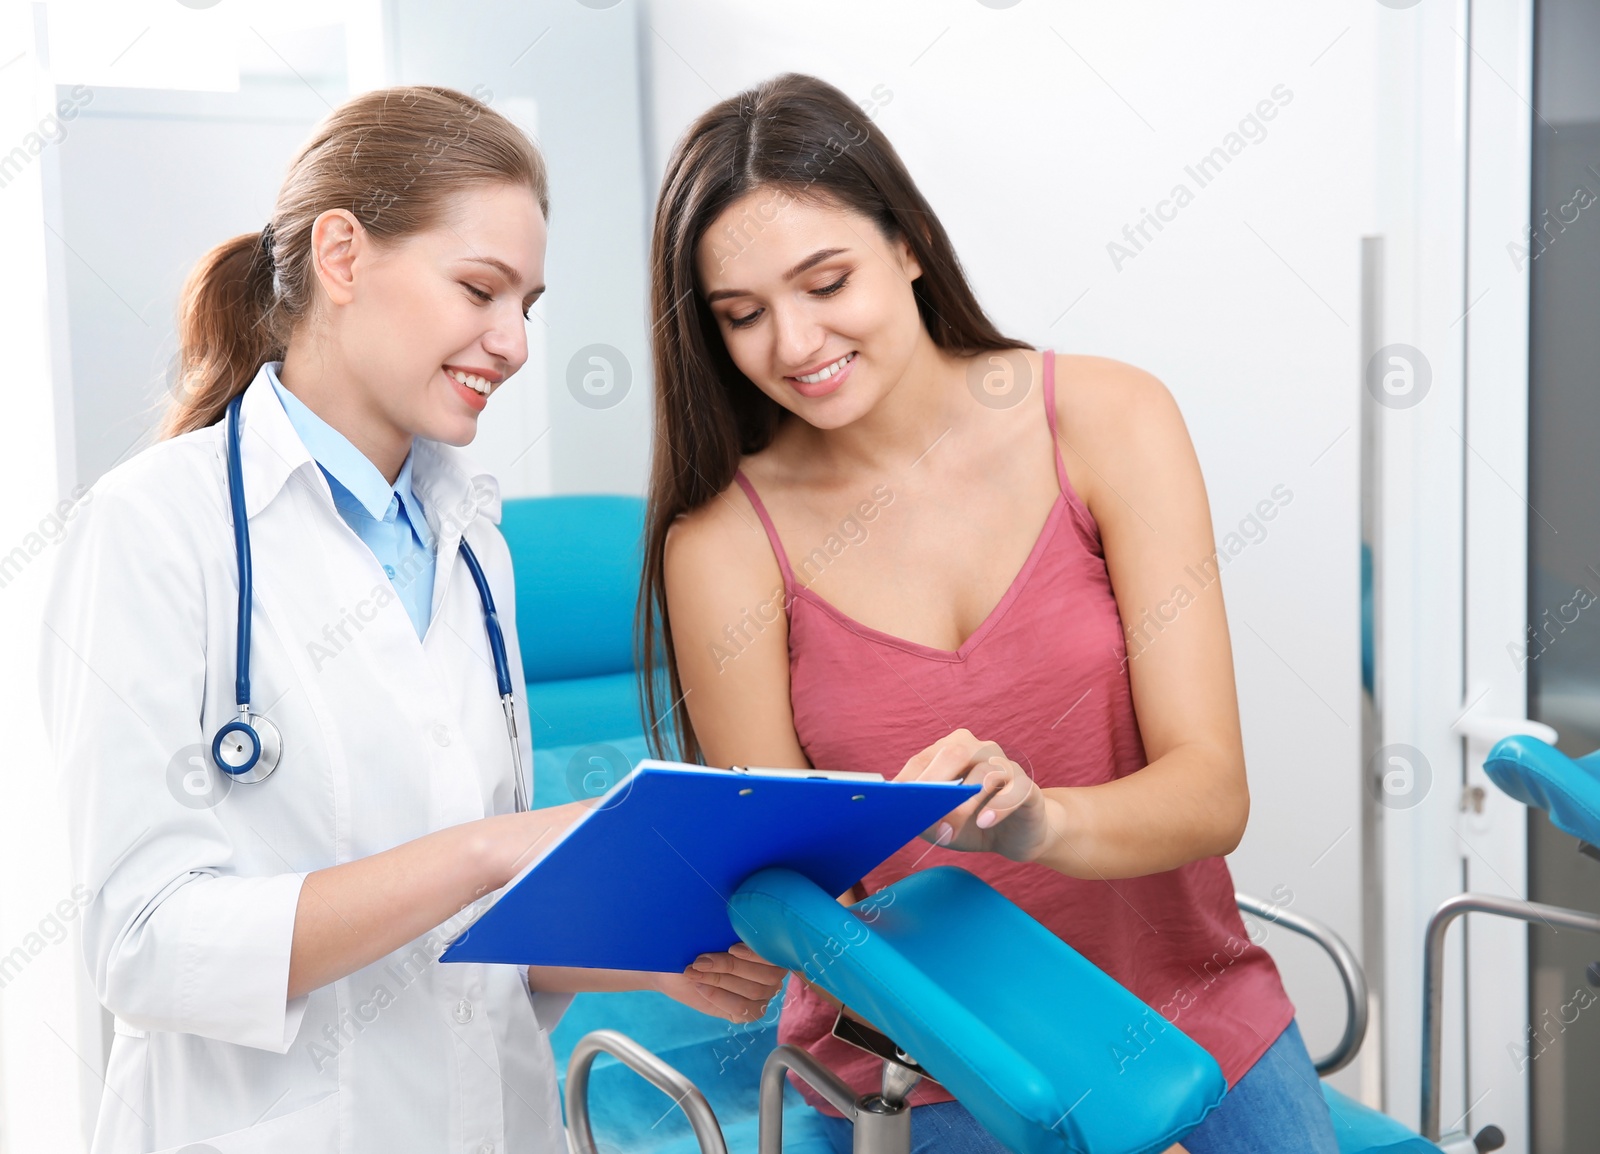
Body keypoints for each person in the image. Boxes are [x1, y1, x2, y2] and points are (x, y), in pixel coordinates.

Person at [39, 85, 784, 1154]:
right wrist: (486, 849)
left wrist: (650, 959)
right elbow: (144, 944)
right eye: (479, 288)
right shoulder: (155, 528)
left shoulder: (472, 540)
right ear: (341, 255)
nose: (513, 342)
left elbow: (458, 948)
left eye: (525, 304)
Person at [639, 72, 1340, 1154]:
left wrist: (1038, 821)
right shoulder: (724, 542)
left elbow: (1210, 789)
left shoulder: (1107, 418)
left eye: (826, 280)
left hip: (1191, 1023)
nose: (792, 343)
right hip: (916, 1067)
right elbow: (795, 893)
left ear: (909, 243)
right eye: (742, 314)